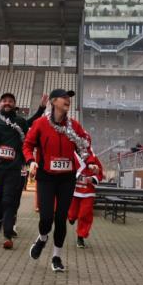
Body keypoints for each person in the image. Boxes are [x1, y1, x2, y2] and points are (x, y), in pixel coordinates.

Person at [22, 89, 91, 272]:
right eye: (64, 97)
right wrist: (31, 161)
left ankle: (56, 257)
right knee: (46, 217)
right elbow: (27, 145)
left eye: (69, 98)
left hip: (67, 178)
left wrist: (91, 163)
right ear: (53, 101)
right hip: (46, 176)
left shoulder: (74, 126)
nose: (68, 100)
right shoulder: (40, 124)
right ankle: (42, 238)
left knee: (61, 218)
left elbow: (84, 147)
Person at [0, 92, 47, 249]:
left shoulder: (20, 121)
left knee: (9, 201)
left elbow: (32, 122)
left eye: (10, 101)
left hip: (14, 169)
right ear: (0, 103)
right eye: (4, 100)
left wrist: (41, 108)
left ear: (14, 104)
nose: (7, 103)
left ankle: (7, 234)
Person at [67, 150, 104, 248]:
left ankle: (80, 236)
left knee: (85, 214)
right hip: (74, 190)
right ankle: (71, 218)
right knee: (72, 212)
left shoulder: (93, 157)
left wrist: (93, 178)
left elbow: (100, 172)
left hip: (88, 192)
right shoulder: (71, 154)